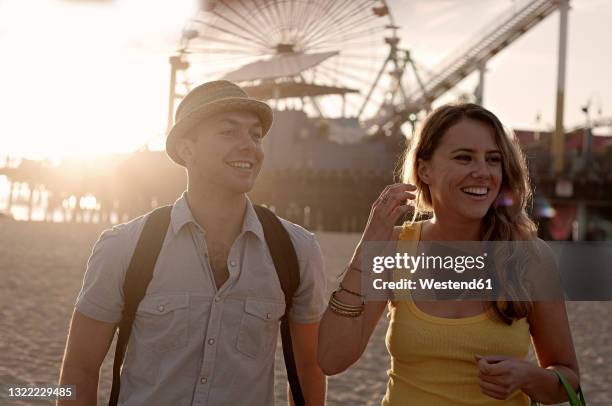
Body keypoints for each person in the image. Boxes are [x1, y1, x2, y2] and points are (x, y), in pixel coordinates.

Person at [58, 80, 327, 405]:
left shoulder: (296, 250)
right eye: (228, 132)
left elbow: (309, 368)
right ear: (186, 149)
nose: (249, 146)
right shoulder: (125, 247)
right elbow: (80, 370)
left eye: (255, 135)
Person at [317, 103, 581, 405]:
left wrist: (528, 377)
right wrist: (366, 251)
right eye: (463, 157)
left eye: (493, 159)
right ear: (424, 169)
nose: (482, 172)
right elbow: (331, 359)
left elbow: (568, 379)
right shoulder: (396, 247)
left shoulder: (530, 258)